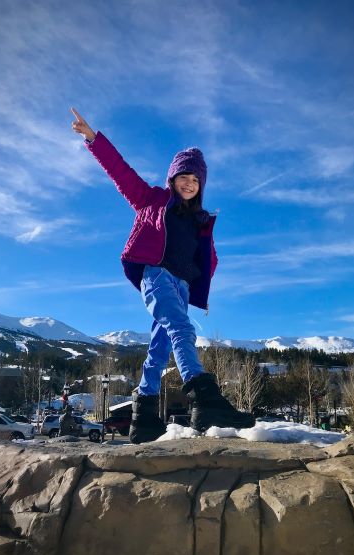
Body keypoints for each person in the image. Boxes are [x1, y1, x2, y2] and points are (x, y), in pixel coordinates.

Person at [71, 107, 255, 444]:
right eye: (184, 176)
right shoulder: (151, 200)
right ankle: (203, 397)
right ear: (172, 179)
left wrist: (203, 288)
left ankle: (143, 416)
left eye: (196, 179)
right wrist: (94, 140)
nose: (189, 183)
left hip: (182, 287)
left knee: (159, 347)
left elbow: (208, 261)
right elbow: (121, 173)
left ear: (201, 185)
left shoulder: (201, 221)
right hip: (156, 278)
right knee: (182, 330)